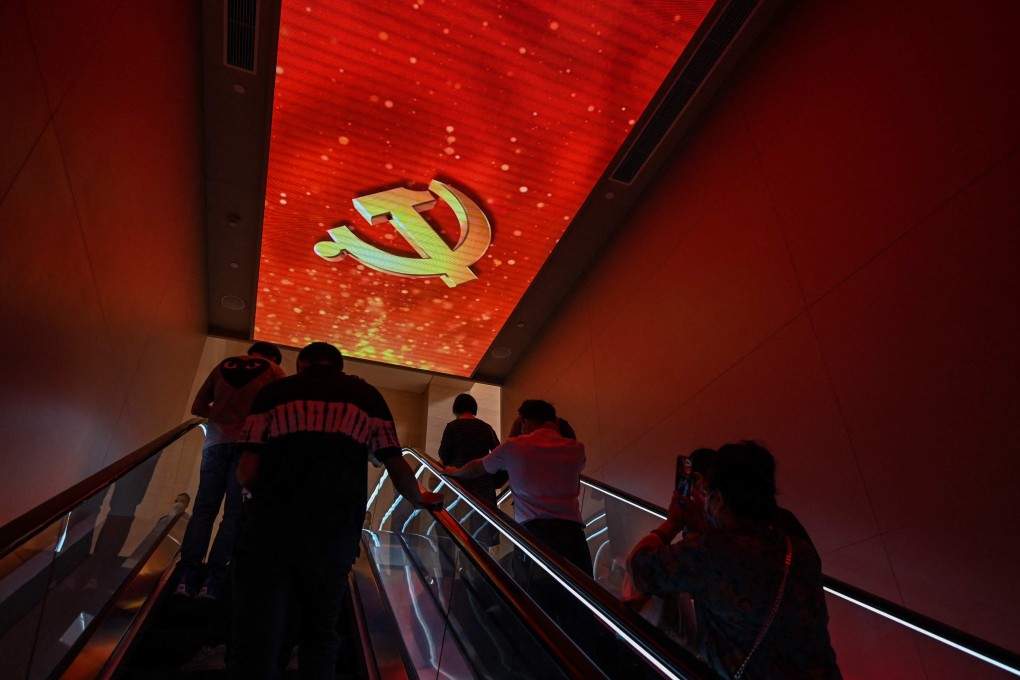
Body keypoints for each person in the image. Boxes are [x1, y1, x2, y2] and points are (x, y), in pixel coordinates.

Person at [230, 342, 443, 680]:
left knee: (261, 629)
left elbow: (246, 471)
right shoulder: (366, 397)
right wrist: (420, 498)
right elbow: (396, 464)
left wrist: (266, 499)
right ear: (339, 367)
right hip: (335, 533)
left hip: (272, 530)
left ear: (301, 364)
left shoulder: (274, 393)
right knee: (320, 631)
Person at [628, 441, 841, 679]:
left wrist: (673, 523)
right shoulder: (800, 549)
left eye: (707, 493)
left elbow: (639, 567)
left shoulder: (709, 551)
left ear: (718, 499)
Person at [445, 399, 591, 642]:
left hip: (534, 537)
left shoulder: (515, 447)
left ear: (525, 421)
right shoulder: (577, 449)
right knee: (580, 607)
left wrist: (454, 472)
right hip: (574, 538)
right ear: (553, 420)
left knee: (537, 608)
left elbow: (477, 468)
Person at [175, 341, 286, 599]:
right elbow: (280, 413)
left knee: (203, 510)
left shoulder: (222, 366)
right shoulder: (274, 371)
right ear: (273, 357)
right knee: (234, 514)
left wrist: (222, 416)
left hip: (214, 444)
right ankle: (213, 580)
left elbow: (198, 407)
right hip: (248, 447)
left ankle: (186, 577)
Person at [437, 393, 500, 546]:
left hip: (458, 483)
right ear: (474, 408)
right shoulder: (486, 428)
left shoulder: (452, 427)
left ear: (456, 409)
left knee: (457, 529)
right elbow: (498, 453)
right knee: (481, 534)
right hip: (483, 484)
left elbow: (444, 455)